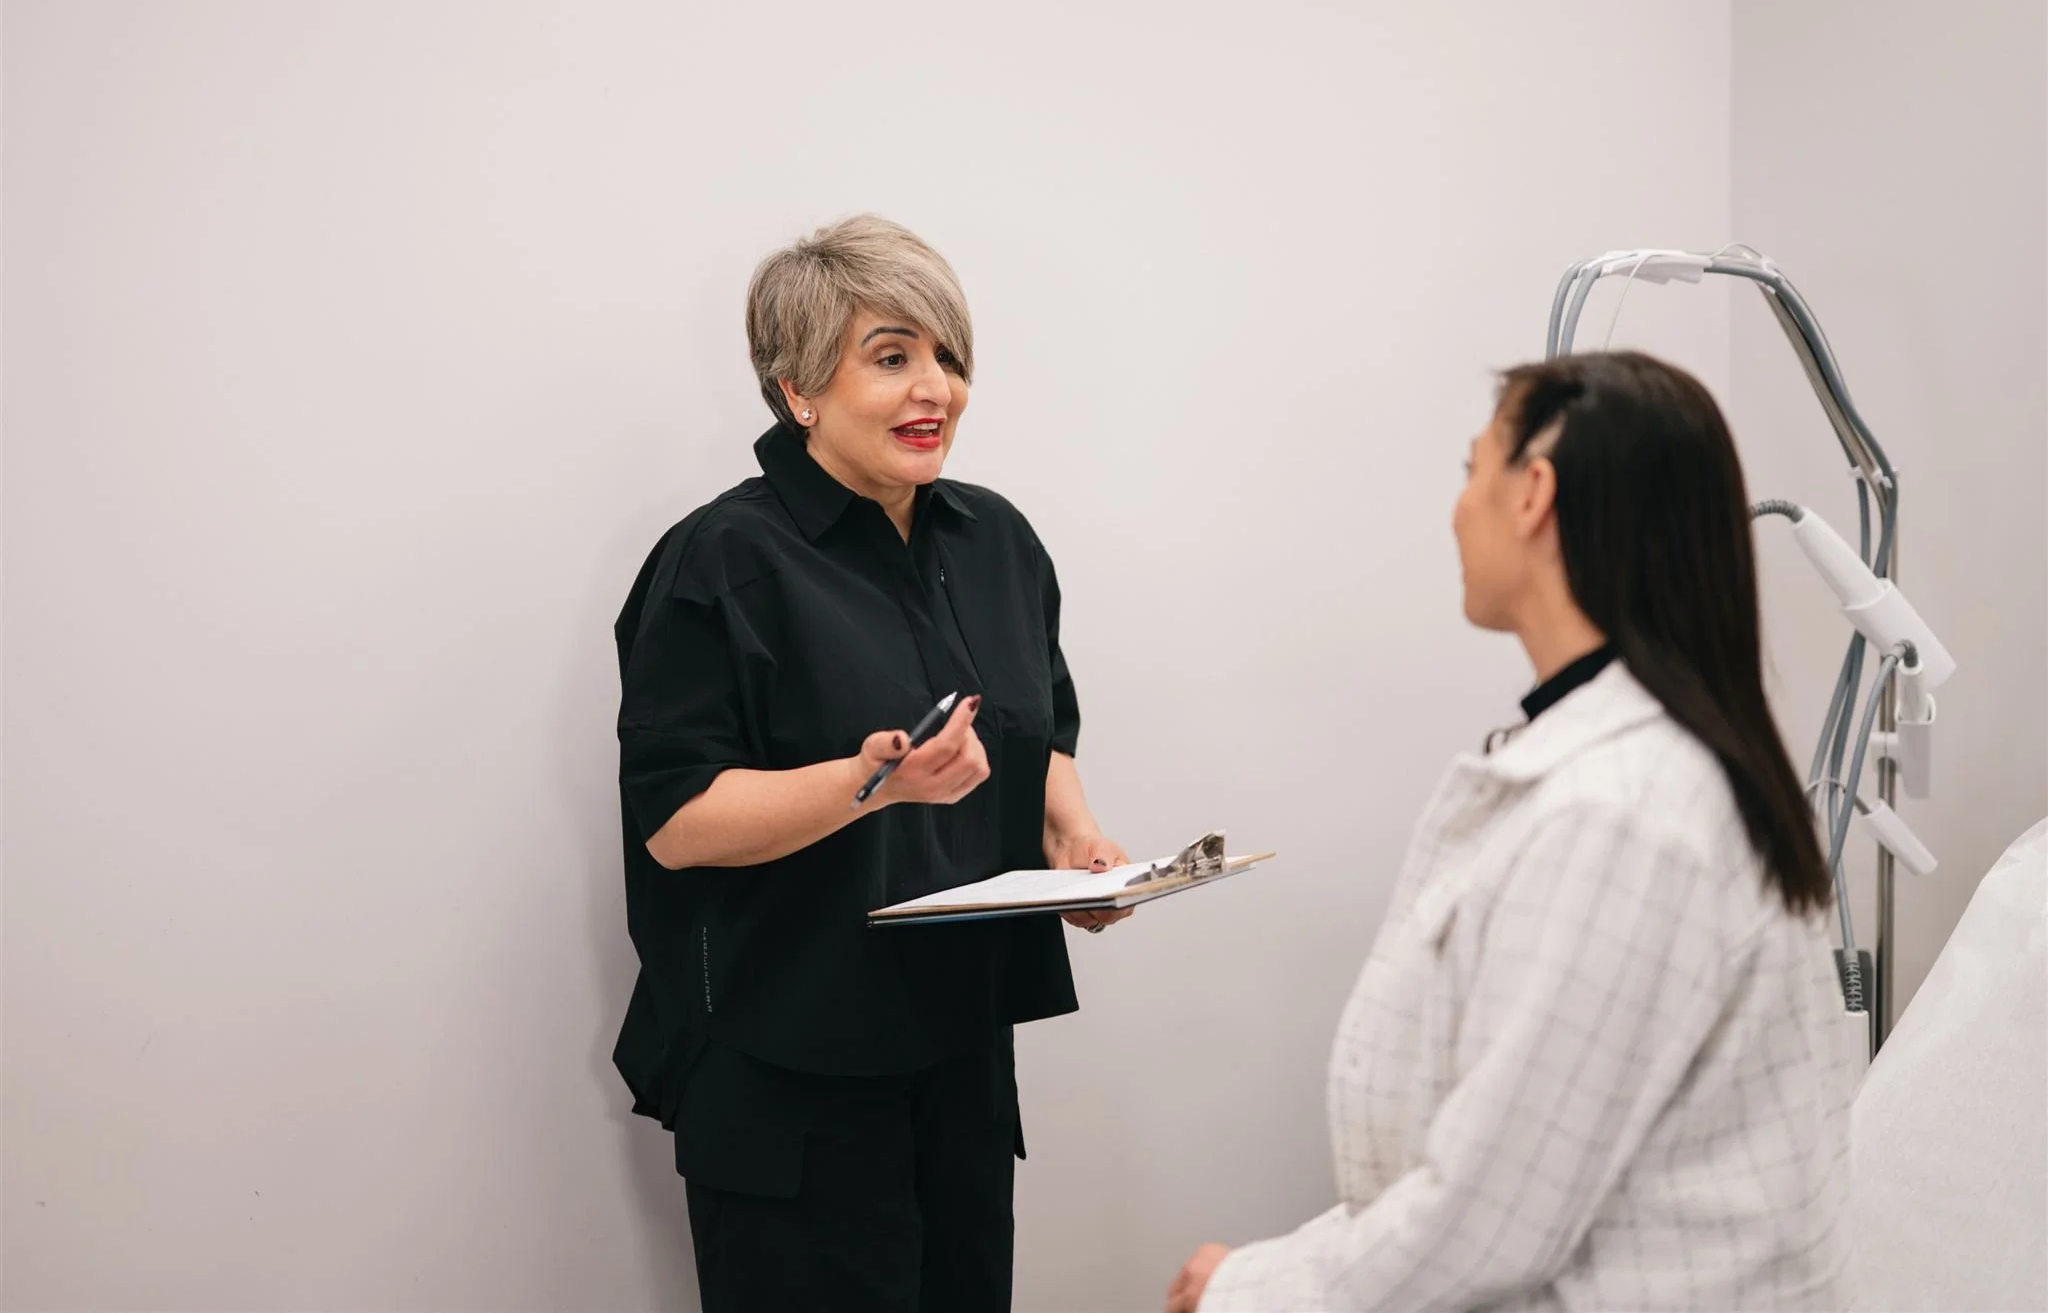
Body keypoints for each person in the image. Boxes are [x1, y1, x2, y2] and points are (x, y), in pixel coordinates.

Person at [1168, 352, 1859, 1313]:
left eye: (1470, 471)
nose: (1458, 509)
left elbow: (1492, 1218)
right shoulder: (1635, 769)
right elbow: (1506, 1157)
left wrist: (1248, 1289)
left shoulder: (1623, 815)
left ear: (1533, 493)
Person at [612, 215, 1130, 1313]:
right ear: (797, 389)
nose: (931, 388)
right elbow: (677, 816)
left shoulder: (995, 542)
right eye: (890, 358)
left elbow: (1036, 736)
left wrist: (1075, 844)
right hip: (786, 1070)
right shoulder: (721, 560)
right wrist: (872, 785)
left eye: (946, 357)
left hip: (956, 1052)